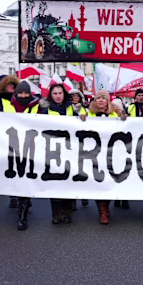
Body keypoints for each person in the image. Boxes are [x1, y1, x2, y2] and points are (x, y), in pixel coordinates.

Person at [79, 89, 125, 224]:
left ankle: (106, 207)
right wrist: (81, 119)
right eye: (98, 97)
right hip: (95, 153)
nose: (100, 100)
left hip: (111, 154)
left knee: (109, 181)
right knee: (98, 181)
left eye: (103, 98)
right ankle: (102, 211)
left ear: (107, 101)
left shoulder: (116, 113)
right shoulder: (88, 113)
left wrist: (124, 117)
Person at [40, 83, 83, 224]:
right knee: (55, 182)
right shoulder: (44, 110)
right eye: (55, 93)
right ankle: (56, 213)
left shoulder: (73, 108)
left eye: (60, 93)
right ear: (50, 96)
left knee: (68, 181)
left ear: (64, 94)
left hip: (70, 150)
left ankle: (67, 212)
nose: (58, 96)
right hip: (52, 150)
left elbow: (84, 123)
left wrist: (83, 116)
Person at [2, 81, 41, 230]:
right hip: (12, 145)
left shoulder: (38, 106)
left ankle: (22, 215)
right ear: (16, 93)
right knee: (18, 176)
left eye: (26, 93)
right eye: (20, 93)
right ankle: (21, 206)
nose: (23, 96)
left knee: (25, 177)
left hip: (31, 146)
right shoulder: (8, 105)